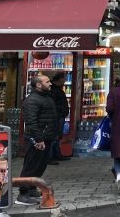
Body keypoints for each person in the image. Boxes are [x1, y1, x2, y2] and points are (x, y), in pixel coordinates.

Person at [16, 75, 56, 205]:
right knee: (31, 167)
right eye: (47, 81)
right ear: (38, 85)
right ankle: (23, 194)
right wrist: (38, 139)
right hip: (37, 139)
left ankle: (32, 188)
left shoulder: (44, 97)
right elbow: (31, 122)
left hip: (46, 137)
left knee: (40, 166)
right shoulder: (32, 100)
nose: (50, 84)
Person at [49, 72, 70, 164]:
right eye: (64, 78)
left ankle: (57, 155)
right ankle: (50, 157)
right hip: (56, 117)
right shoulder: (54, 90)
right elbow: (53, 104)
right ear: (60, 79)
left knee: (57, 136)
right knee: (53, 136)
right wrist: (60, 112)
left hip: (59, 116)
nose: (65, 80)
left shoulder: (57, 89)